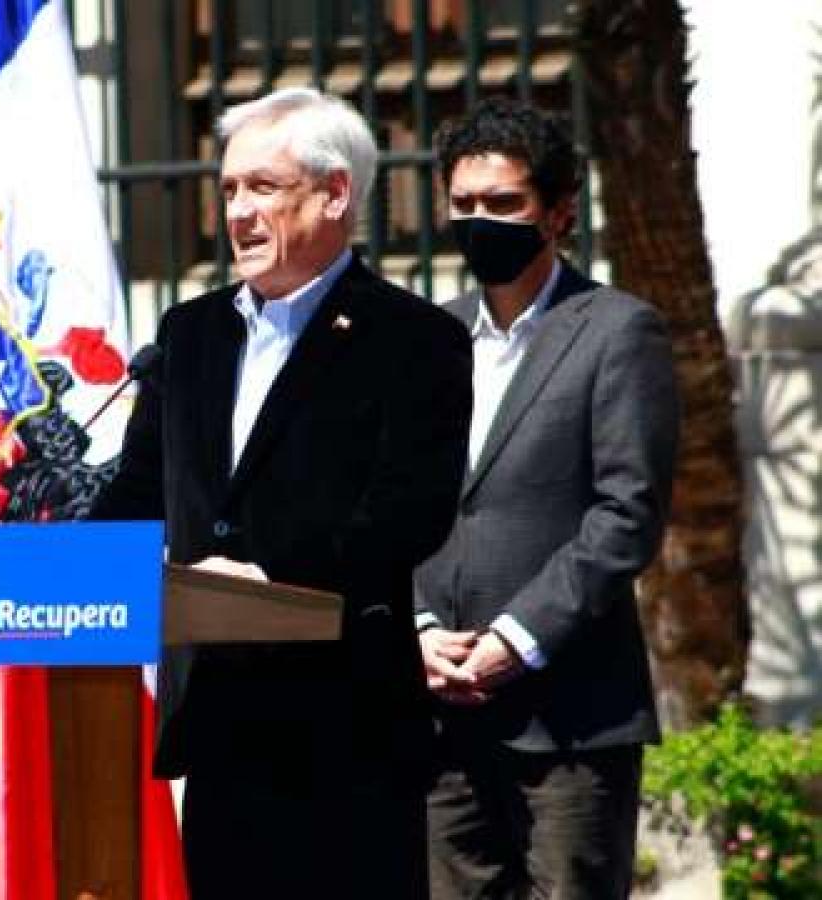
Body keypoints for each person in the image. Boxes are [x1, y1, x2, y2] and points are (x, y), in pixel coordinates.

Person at [92, 87, 472, 898]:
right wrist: (59, 569)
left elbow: (409, 513)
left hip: (347, 729)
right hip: (220, 723)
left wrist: (270, 580)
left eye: (263, 187)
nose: (238, 212)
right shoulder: (190, 334)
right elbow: (138, 492)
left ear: (334, 194)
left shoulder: (415, 339)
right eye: (228, 189)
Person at [414, 97, 680, 899]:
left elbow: (626, 513)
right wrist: (417, 631)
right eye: (464, 204)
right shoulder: (430, 338)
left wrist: (517, 637)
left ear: (559, 212)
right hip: (440, 716)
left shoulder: (617, 330)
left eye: (503, 203)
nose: (480, 222)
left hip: (569, 718)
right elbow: (394, 504)